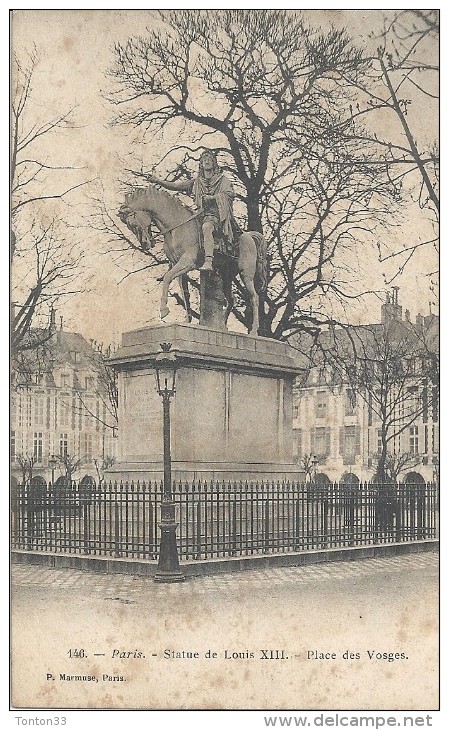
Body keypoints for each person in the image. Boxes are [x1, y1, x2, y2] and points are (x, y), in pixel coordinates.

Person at [148, 150, 240, 271]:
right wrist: (158, 181)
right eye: (204, 160)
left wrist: (212, 198)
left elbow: (229, 194)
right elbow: (176, 186)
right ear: (201, 164)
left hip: (216, 216)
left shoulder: (222, 180)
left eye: (209, 159)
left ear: (214, 163)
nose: (207, 161)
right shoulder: (197, 182)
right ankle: (175, 262)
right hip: (200, 214)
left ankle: (208, 260)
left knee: (207, 227)